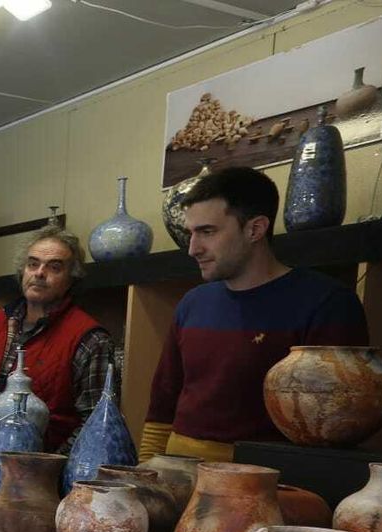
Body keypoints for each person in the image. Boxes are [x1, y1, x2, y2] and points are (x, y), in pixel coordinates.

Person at [141, 167, 369, 462]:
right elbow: (163, 401)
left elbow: (334, 426)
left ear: (255, 229)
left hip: (262, 484)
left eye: (207, 232)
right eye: (191, 233)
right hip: (177, 472)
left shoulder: (326, 304)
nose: (193, 249)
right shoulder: (192, 304)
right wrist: (147, 472)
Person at [0, 225, 117, 453]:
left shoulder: (91, 339)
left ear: (71, 279)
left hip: (42, 470)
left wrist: (46, 468)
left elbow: (95, 425)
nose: (39, 273)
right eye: (32, 264)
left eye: (54, 267)